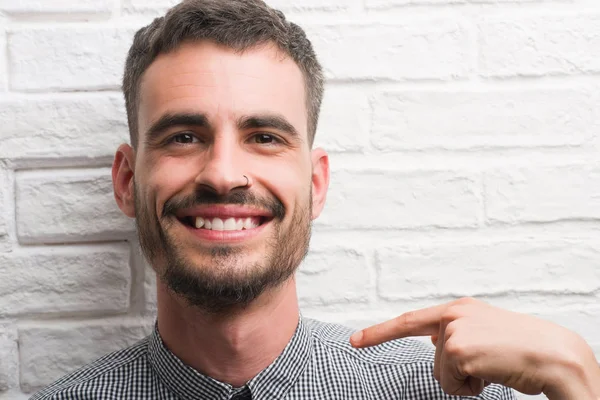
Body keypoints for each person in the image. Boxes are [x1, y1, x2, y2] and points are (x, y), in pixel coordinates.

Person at [31, 0, 600, 399]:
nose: (225, 175)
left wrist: (577, 383)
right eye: (184, 136)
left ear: (317, 183)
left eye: (264, 137)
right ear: (128, 181)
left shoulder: (452, 394)